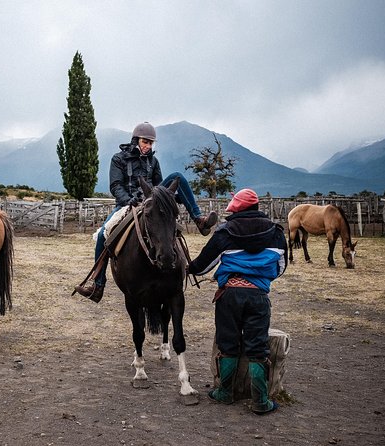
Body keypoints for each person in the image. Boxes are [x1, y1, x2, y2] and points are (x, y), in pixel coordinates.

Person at [74, 122, 218, 303]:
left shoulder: (153, 161)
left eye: (151, 143)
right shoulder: (118, 159)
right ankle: (97, 285)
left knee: (177, 177)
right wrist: (128, 199)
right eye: (145, 142)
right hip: (126, 204)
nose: (148, 146)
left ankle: (199, 221)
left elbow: (160, 188)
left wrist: (172, 198)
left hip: (151, 203)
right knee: (103, 235)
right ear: (136, 140)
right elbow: (115, 185)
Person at [187, 188, 287, 415]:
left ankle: (225, 393)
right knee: (258, 346)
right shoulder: (276, 232)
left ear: (236, 207)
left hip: (229, 295)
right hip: (259, 296)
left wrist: (188, 267)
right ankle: (261, 401)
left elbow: (202, 266)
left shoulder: (225, 232)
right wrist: (259, 279)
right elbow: (281, 267)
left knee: (228, 343)